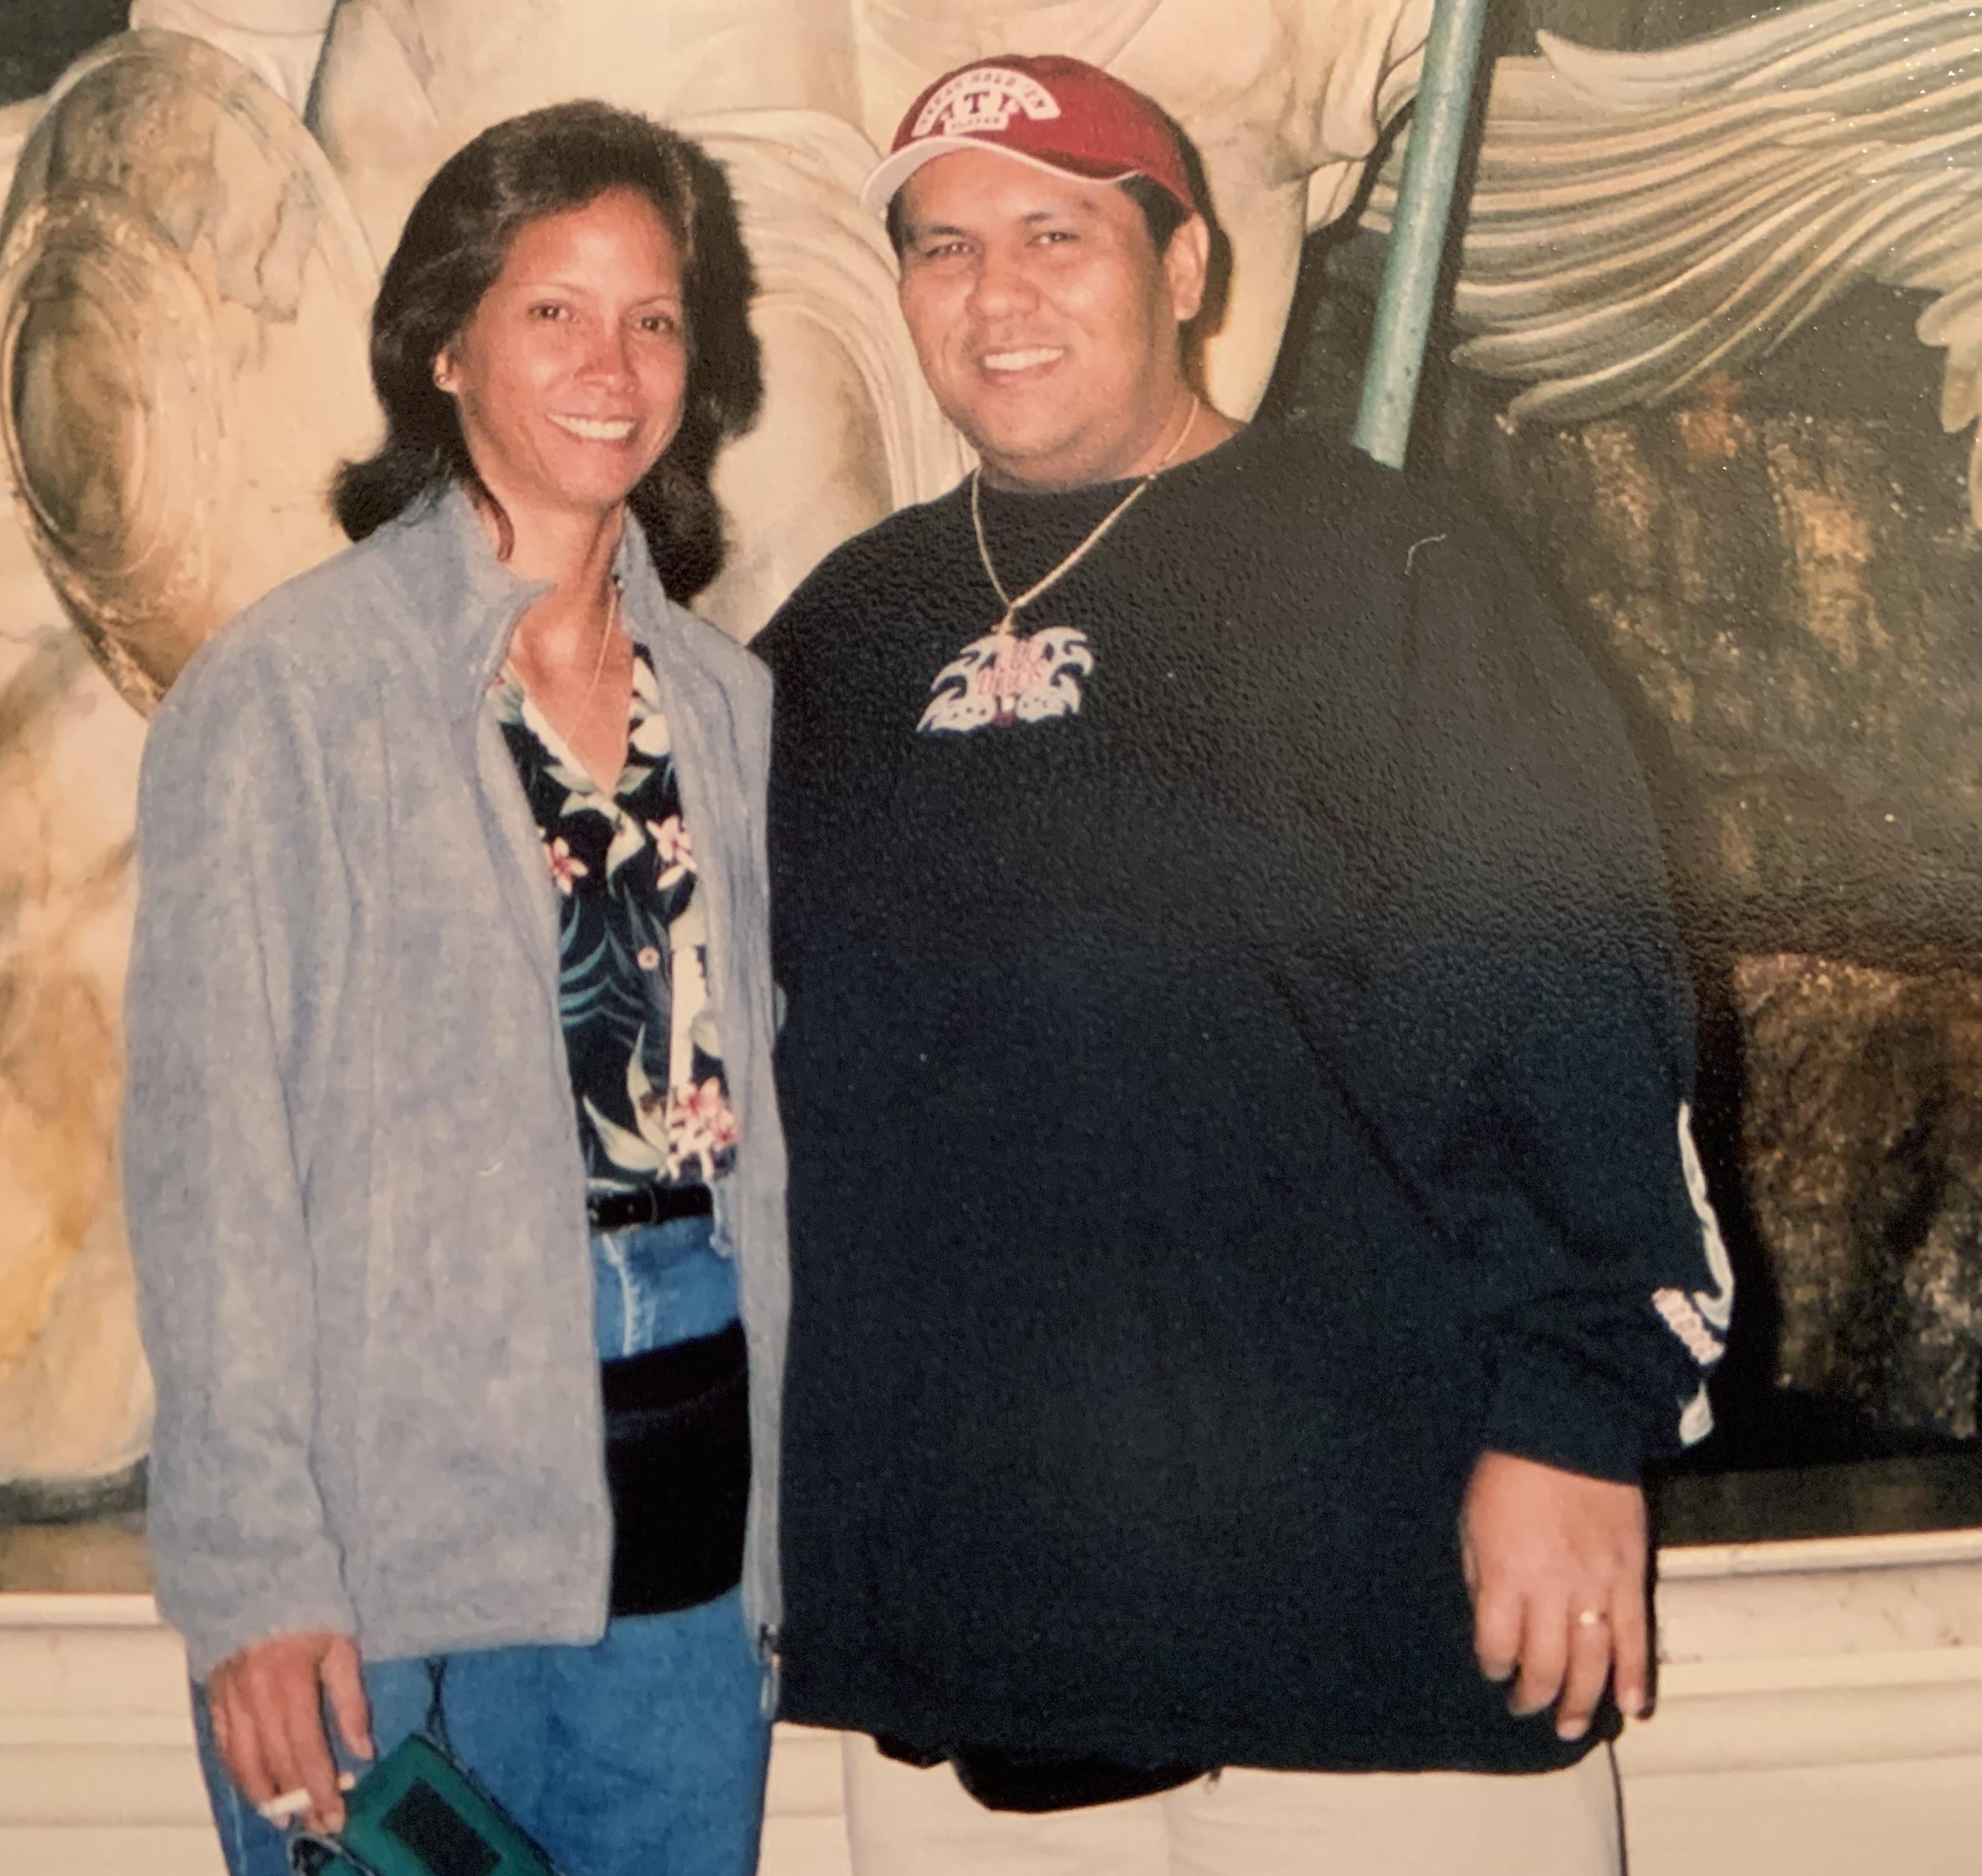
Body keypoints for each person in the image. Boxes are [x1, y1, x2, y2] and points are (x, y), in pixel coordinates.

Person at [754, 53, 1735, 1875]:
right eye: (946, 248)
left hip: (1381, 1619)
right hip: (991, 1651)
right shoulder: (842, 634)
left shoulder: (1399, 570)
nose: (998, 294)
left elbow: (1581, 1012)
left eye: (1058, 234)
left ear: (1187, 261)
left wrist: (1579, 1426)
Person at [121, 99, 787, 1876]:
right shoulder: (288, 698)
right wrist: (255, 1579)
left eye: (654, 316)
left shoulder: (733, 709)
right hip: (398, 1567)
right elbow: (209, 1176)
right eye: (551, 309)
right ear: (446, 345)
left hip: (687, 1578)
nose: (612, 361)